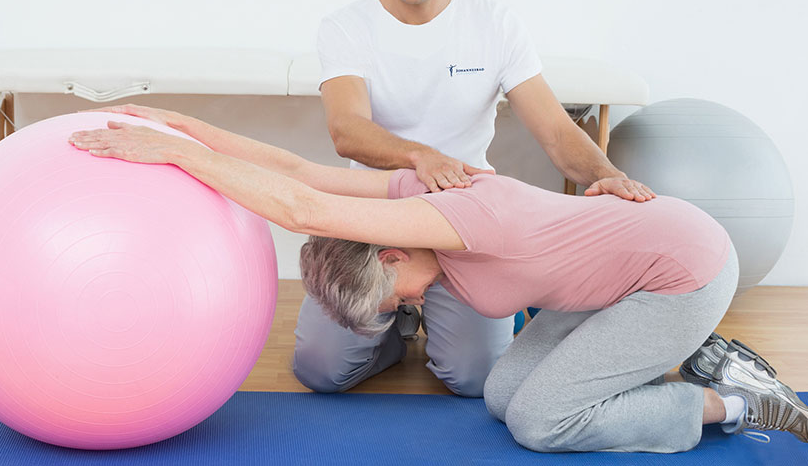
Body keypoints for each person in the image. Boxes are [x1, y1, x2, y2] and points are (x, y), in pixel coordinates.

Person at [69, 107, 807, 452]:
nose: (412, 307)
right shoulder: (417, 204)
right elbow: (293, 170)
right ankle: (713, 366)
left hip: (681, 273)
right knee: (502, 396)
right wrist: (174, 125)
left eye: (398, 299)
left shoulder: (458, 221)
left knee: (540, 422)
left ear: (389, 257)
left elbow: (298, 206)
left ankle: (735, 402)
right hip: (614, 282)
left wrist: (169, 158)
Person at [305, 0, 655, 396]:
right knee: (321, 372)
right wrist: (420, 157)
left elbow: (557, 134)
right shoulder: (345, 27)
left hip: (465, 217)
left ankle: (487, 311)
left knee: (474, 378)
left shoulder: (494, 24)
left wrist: (610, 178)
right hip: (375, 216)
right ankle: (399, 327)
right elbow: (347, 131)